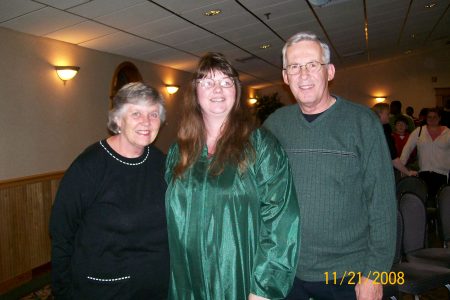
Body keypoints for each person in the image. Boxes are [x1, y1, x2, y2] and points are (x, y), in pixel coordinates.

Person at [263, 31, 396, 300]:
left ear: (330, 71)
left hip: (349, 274)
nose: (303, 75)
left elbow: (382, 202)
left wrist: (377, 273)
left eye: (313, 65)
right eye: (295, 67)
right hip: (287, 270)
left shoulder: (362, 123)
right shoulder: (275, 125)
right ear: (285, 77)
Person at [165, 52, 300, 300]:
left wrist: (263, 288)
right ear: (195, 92)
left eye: (226, 82)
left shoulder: (261, 146)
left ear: (236, 91)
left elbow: (282, 220)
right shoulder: (179, 152)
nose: (217, 89)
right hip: (187, 282)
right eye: (207, 82)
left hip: (239, 280)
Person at [50, 82, 169, 299]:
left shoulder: (162, 162)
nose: (146, 122)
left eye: (153, 114)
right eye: (136, 113)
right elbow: (61, 233)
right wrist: (63, 291)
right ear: (117, 120)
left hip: (156, 286)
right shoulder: (89, 166)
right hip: (105, 288)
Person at [400, 107, 450, 206]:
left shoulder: (448, 133)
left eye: (434, 117)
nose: (431, 119)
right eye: (429, 117)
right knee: (424, 204)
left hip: (443, 175)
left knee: (442, 205)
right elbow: (407, 148)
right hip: (423, 174)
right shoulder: (419, 131)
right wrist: (401, 166)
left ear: (439, 118)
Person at [371, 103, 417, 179]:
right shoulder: (383, 131)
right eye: (387, 114)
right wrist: (408, 172)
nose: (389, 116)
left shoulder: (376, 128)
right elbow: (393, 157)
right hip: (380, 170)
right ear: (379, 114)